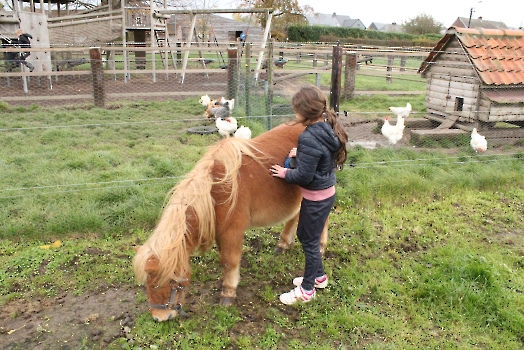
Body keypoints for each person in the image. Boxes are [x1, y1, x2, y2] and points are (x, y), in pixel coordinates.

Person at [270, 85, 348, 305]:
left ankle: (307, 291)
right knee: (307, 237)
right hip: (324, 193)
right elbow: (321, 156)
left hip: (316, 198)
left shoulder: (308, 137)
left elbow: (304, 176)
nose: (295, 114)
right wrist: (302, 154)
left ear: (304, 112)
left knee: (310, 242)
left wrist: (285, 172)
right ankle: (319, 277)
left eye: (296, 110)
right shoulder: (326, 127)